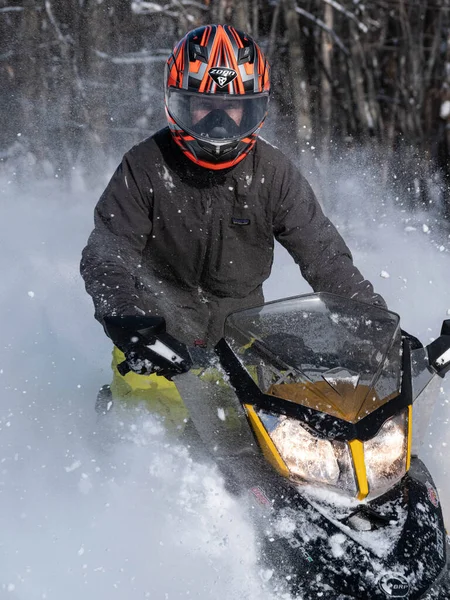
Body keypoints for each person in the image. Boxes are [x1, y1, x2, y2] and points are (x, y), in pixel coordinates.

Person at [80, 24, 386, 421]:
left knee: (304, 437)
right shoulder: (145, 167)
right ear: (179, 104)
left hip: (242, 348)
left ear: (255, 108)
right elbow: (106, 257)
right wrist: (127, 322)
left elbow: (327, 261)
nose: (219, 123)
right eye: (204, 105)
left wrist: (376, 329)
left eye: (233, 107)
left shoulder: (273, 173)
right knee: (161, 441)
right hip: (158, 346)